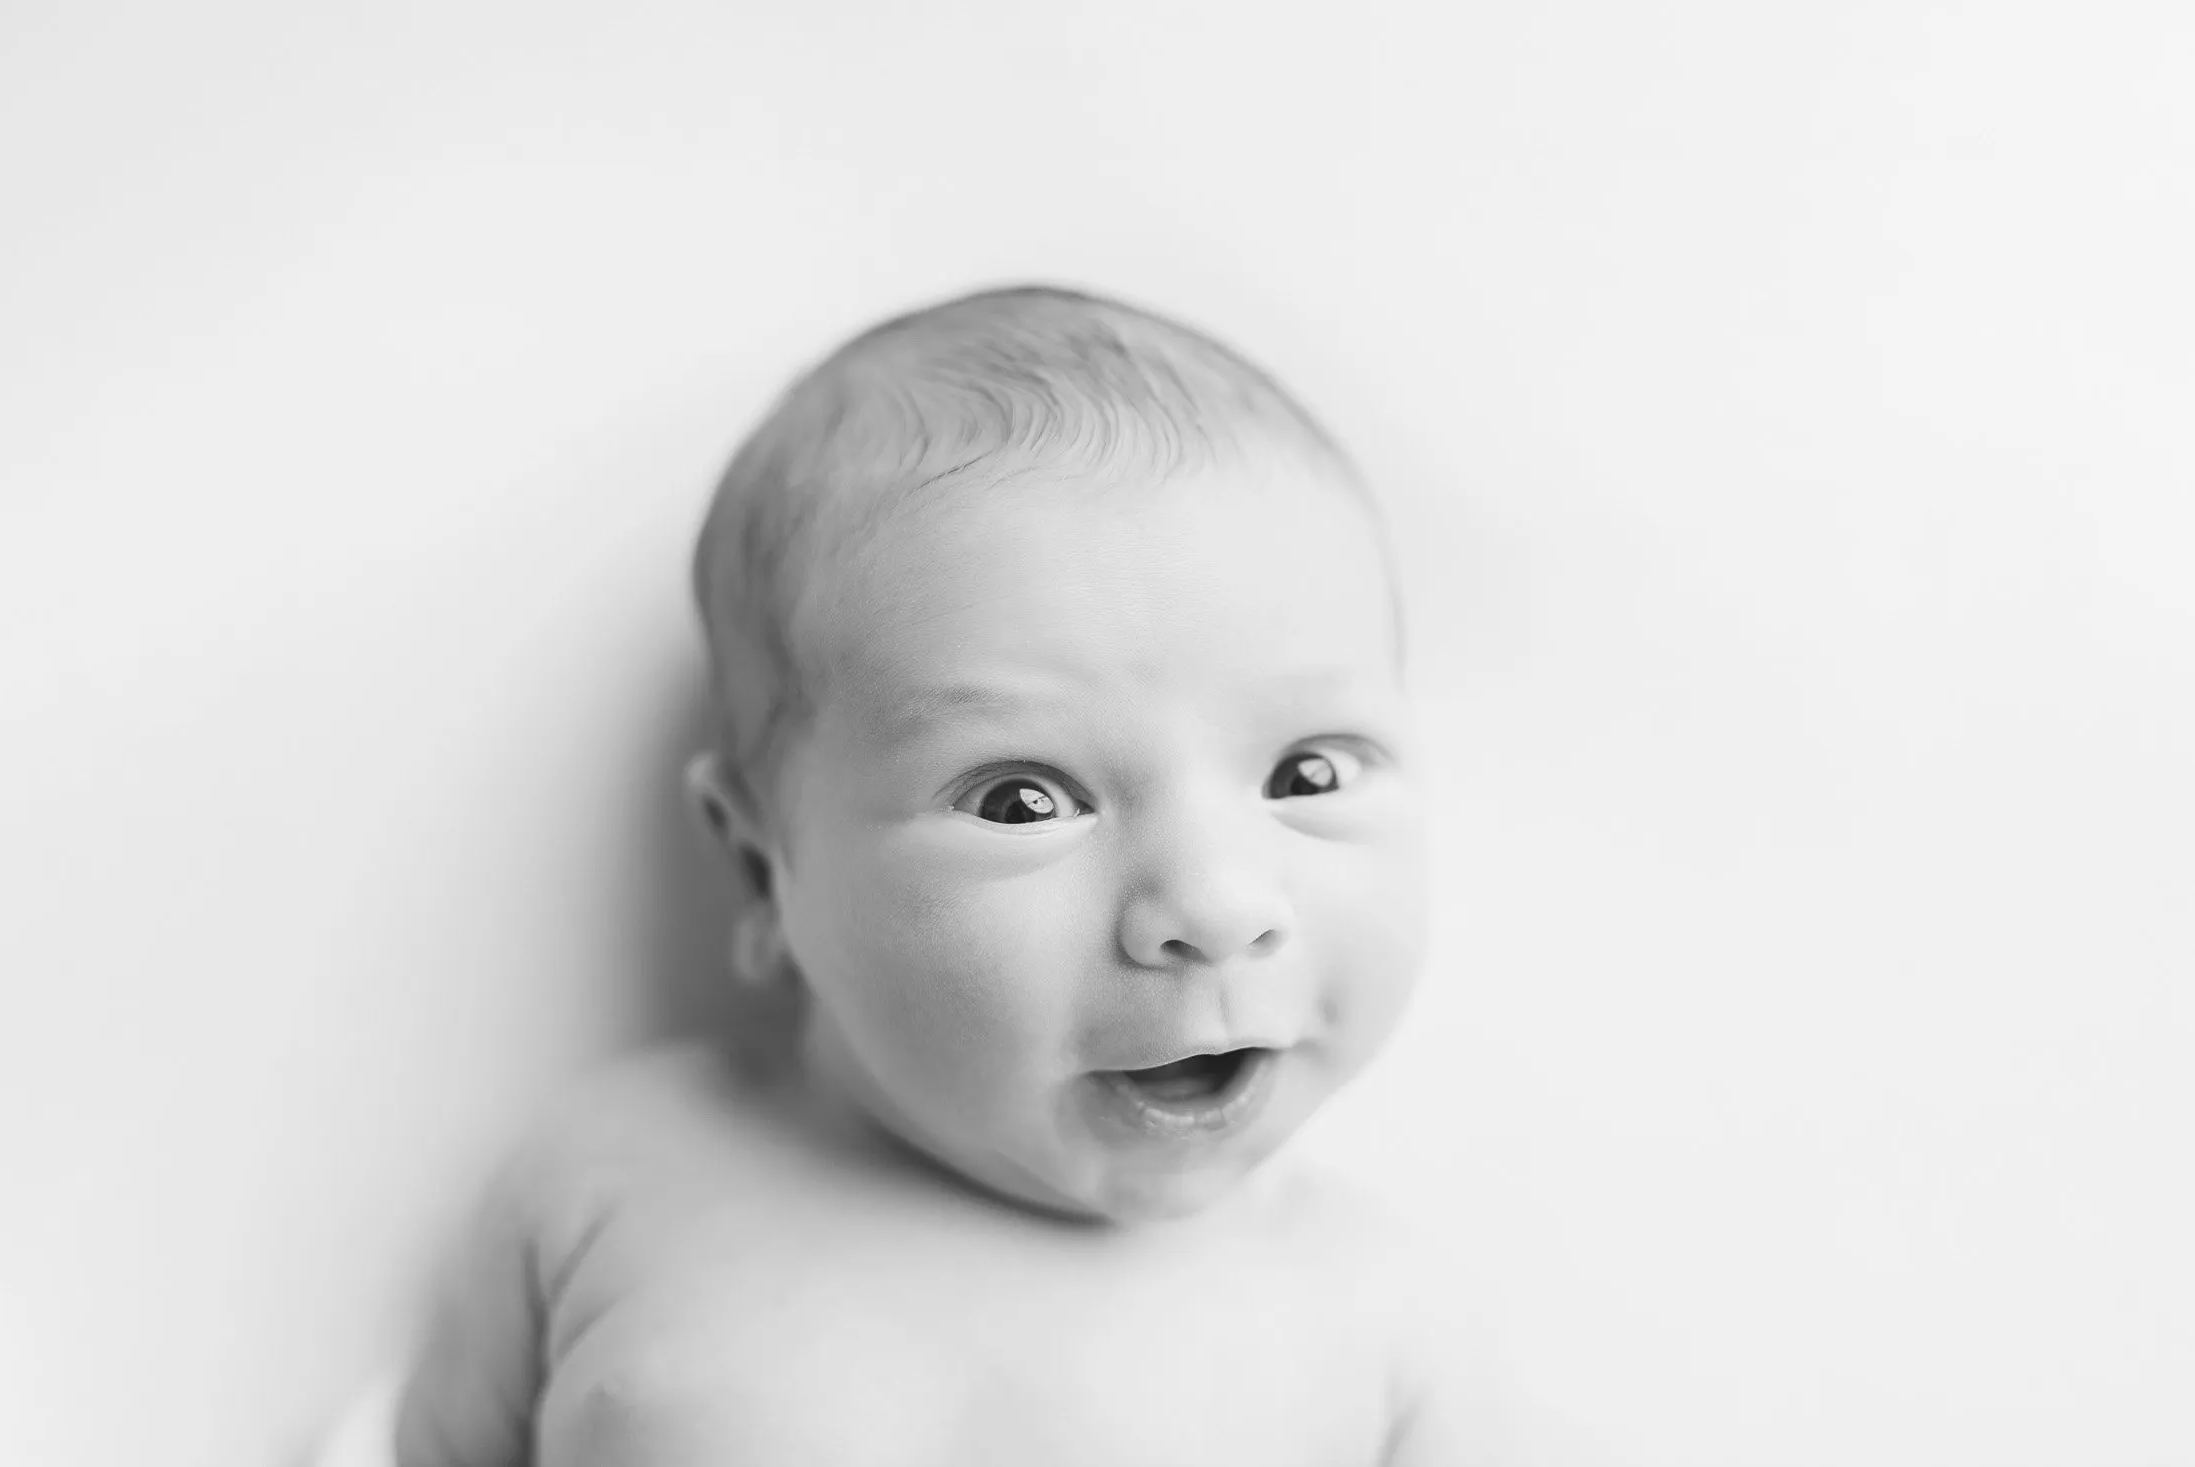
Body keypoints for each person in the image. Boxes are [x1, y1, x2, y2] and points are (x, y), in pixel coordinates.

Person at [393, 284, 1457, 1465]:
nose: (1215, 906)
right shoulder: (611, 1182)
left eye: (1307, 775)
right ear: (760, 870)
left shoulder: (1380, 1321)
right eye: (1021, 803)